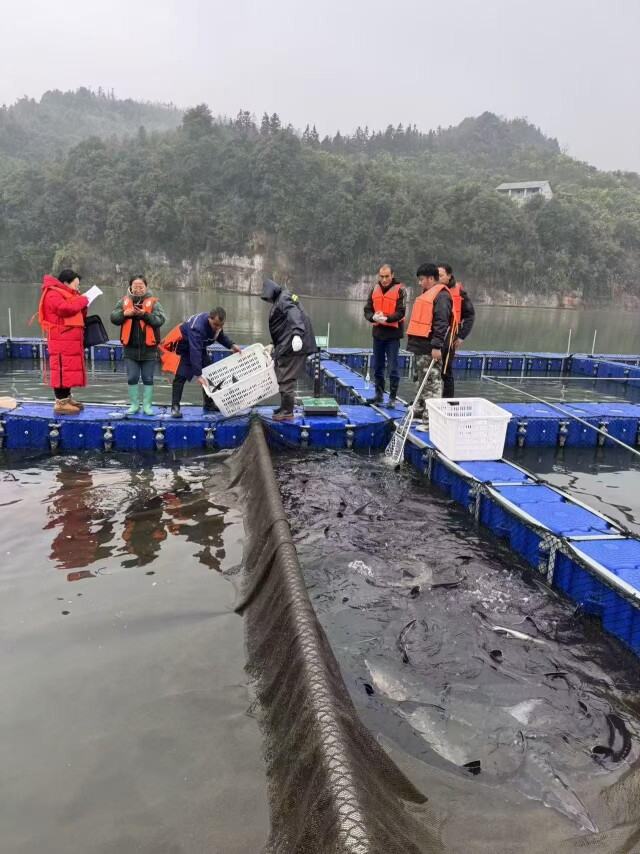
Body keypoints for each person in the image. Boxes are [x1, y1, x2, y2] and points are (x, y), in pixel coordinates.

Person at [160, 308, 241, 418]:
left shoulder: (217, 325)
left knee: (210, 373)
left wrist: (231, 345)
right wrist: (198, 374)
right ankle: (175, 407)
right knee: (181, 375)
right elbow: (195, 351)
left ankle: (208, 404)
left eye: (221, 325)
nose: (218, 327)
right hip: (185, 347)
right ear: (209, 319)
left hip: (200, 347)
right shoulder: (197, 328)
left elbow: (220, 336)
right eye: (216, 325)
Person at [261, 278, 316, 422]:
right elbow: (283, 327)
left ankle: (287, 412)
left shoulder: (284, 298)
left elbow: (294, 314)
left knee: (286, 376)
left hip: (296, 344)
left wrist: (297, 333)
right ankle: (284, 407)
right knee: (281, 373)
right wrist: (273, 344)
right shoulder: (280, 300)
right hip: (287, 343)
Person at [110, 275, 166, 416]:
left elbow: (160, 320)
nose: (138, 290)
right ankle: (134, 405)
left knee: (148, 378)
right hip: (130, 348)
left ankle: (147, 406)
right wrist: (124, 313)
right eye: (135, 287)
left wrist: (144, 314)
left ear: (146, 287)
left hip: (149, 349)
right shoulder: (123, 301)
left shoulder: (154, 303)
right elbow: (113, 318)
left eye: (141, 287)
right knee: (132, 377)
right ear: (130, 287)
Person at [406, 263, 452, 431]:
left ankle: (431, 422)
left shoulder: (442, 296)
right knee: (421, 382)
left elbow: (441, 323)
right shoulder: (427, 294)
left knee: (432, 384)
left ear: (431, 279)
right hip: (420, 347)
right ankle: (421, 412)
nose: (419, 283)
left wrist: (437, 346)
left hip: (430, 348)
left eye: (421, 279)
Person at [37, 269, 89, 415]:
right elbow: (65, 309)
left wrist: (83, 303)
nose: (77, 287)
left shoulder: (68, 295)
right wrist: (83, 300)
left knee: (69, 369)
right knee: (61, 368)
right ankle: (60, 403)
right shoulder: (53, 293)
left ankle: (66, 398)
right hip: (60, 339)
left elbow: (77, 313)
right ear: (66, 283)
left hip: (70, 339)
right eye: (76, 284)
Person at [363, 263, 406, 408]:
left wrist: (387, 319)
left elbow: (401, 312)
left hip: (393, 335)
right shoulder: (374, 289)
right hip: (378, 334)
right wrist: (373, 317)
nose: (384, 279)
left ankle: (392, 398)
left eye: (387, 276)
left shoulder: (400, 290)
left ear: (392, 275)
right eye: (381, 276)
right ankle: (379, 395)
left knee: (393, 367)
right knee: (378, 366)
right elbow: (367, 310)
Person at [438, 263, 475, 398]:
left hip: (451, 333)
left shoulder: (459, 292)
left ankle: (447, 401)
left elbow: (470, 315)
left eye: (440, 275)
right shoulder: (433, 289)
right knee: (429, 369)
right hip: (435, 332)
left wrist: (461, 336)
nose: (438, 278)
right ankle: (426, 400)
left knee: (446, 370)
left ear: (449, 276)